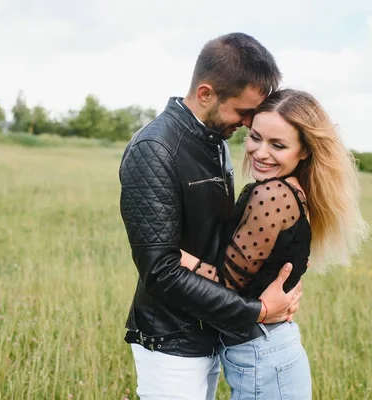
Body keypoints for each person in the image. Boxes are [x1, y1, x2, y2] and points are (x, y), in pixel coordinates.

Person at [119, 33, 303, 400]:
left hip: (211, 330)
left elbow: (222, 243)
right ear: (205, 94)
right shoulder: (154, 149)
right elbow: (160, 272)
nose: (251, 122)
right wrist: (256, 311)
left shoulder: (215, 141)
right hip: (171, 341)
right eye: (243, 111)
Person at [180, 88, 370, 399]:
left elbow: (228, 286)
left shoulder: (273, 194)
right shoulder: (289, 189)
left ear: (304, 151)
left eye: (278, 145)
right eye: (255, 137)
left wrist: (172, 256)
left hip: (263, 356)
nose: (260, 152)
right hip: (269, 351)